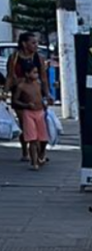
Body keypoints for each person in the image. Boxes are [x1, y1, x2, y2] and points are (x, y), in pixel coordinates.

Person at [5, 32, 52, 162]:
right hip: (20, 96)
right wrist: (5, 92)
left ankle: (39, 153)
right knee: (25, 125)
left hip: (36, 96)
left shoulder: (39, 58)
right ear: (24, 44)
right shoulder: (14, 57)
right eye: (33, 43)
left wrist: (47, 94)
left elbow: (43, 78)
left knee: (40, 125)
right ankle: (27, 151)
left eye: (37, 43)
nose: (36, 45)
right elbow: (10, 76)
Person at [11, 67, 48, 170]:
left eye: (37, 72)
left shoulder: (38, 84)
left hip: (40, 112)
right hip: (28, 113)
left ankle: (40, 155)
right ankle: (34, 162)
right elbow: (15, 100)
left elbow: (41, 96)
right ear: (27, 74)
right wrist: (26, 105)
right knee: (32, 139)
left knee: (43, 139)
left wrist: (45, 103)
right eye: (34, 72)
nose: (36, 74)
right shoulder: (21, 86)